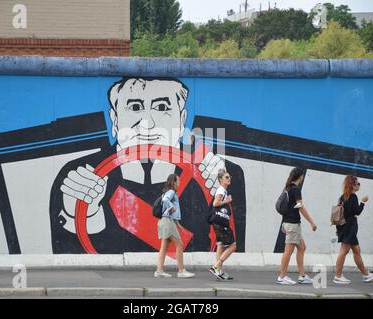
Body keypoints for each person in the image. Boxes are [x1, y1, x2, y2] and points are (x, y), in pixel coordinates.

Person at [49, 77, 246, 254]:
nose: (147, 123)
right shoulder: (81, 174)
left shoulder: (219, 172)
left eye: (161, 108)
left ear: (182, 119)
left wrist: (219, 193)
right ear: (114, 119)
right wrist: (81, 215)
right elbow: (67, 261)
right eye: (135, 108)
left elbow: (229, 247)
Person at [276, 167, 317, 285]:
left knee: (302, 247)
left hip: (288, 223)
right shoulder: (296, 189)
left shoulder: (287, 188)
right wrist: (311, 222)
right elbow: (301, 207)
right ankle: (282, 276)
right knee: (288, 251)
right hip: (292, 224)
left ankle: (302, 276)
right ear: (300, 177)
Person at [333, 176, 373, 284]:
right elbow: (356, 212)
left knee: (356, 251)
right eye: (358, 184)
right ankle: (337, 276)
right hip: (349, 229)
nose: (359, 185)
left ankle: (366, 275)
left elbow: (341, 214)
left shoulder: (342, 197)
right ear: (352, 185)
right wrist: (363, 202)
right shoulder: (353, 197)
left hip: (345, 228)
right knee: (343, 251)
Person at [155, 174, 195, 278]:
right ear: (173, 182)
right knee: (179, 245)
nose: (179, 183)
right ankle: (181, 271)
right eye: (178, 181)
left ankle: (159, 271)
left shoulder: (168, 192)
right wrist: (172, 207)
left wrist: (178, 224)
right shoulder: (171, 192)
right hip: (167, 222)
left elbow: (169, 211)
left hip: (165, 221)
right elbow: (165, 201)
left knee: (164, 247)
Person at [209, 169, 237, 281]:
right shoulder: (221, 190)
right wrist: (227, 201)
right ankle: (216, 266)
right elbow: (215, 203)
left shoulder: (223, 190)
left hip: (218, 223)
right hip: (221, 223)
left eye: (229, 177)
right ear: (220, 180)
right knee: (233, 246)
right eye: (226, 177)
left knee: (220, 246)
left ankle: (220, 272)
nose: (229, 178)